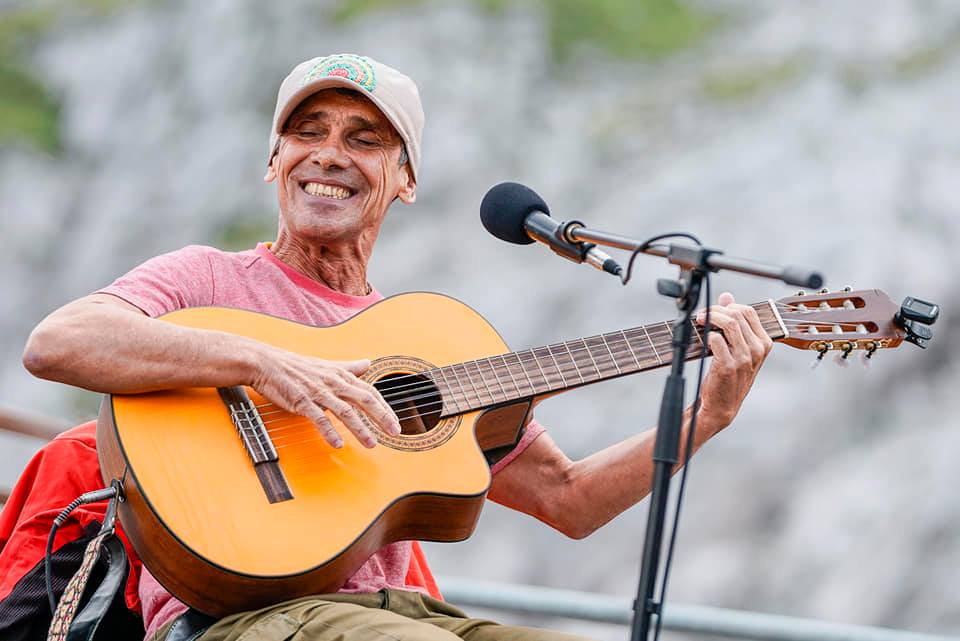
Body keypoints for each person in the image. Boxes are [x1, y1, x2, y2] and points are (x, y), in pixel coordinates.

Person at [21, 54, 773, 641]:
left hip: (401, 613)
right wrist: (263, 362)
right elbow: (60, 342)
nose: (328, 154)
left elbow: (567, 499)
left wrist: (706, 415)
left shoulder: (425, 339)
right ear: (272, 161)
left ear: (405, 179)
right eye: (306, 133)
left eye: (364, 139)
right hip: (248, 616)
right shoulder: (206, 277)